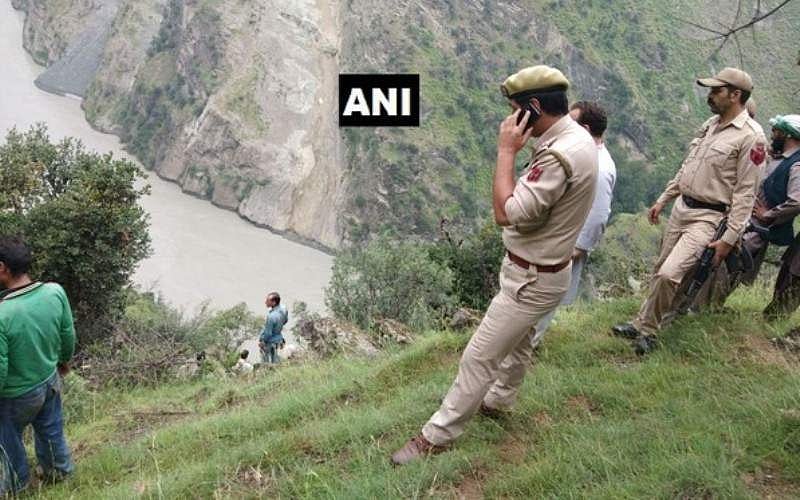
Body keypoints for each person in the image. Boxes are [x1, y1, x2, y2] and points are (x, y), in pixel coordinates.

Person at [391, 65, 598, 465]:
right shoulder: (577, 137)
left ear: (534, 107)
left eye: (515, 111)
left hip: (531, 279)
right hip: (547, 273)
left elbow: (507, 213)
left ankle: (436, 437)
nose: (510, 120)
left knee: (479, 357)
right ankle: (500, 401)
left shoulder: (559, 155)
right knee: (519, 343)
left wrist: (506, 152)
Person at [612, 67, 766, 354]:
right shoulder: (711, 125)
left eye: (716, 90)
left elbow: (746, 193)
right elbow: (689, 166)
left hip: (709, 216)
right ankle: (641, 322)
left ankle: (649, 331)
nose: (710, 95)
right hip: (683, 208)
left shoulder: (751, 138)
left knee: (670, 273)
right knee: (660, 269)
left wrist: (729, 238)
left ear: (735, 95)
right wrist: (665, 197)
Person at [531, 100, 617, 347]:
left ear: (585, 129)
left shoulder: (600, 168)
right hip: (554, 237)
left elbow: (599, 215)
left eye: (571, 121)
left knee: (543, 296)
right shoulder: (581, 154)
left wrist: (576, 249)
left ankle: (527, 346)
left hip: (566, 245)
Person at [0, 237, 75, 494]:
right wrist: (63, 360)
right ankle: (58, 471)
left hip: (15, 395)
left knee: (8, 439)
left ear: (2, 268)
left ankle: (17, 485)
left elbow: (0, 367)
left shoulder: (3, 314)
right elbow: (67, 334)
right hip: (49, 379)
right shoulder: (54, 291)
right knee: (51, 429)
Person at [738, 115, 800, 284]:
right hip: (747, 223)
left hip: (757, 229)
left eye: (776, 131)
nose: (772, 136)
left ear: (787, 135)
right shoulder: (781, 158)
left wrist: (768, 214)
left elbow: (797, 201)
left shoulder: (796, 165)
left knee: (729, 268)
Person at [259, 292, 288, 364]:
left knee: (267, 363)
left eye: (268, 301)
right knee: (277, 361)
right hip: (279, 339)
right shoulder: (283, 310)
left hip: (270, 343)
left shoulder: (271, 316)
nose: (265, 302)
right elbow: (285, 321)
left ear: (274, 303)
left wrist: (263, 342)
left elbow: (268, 333)